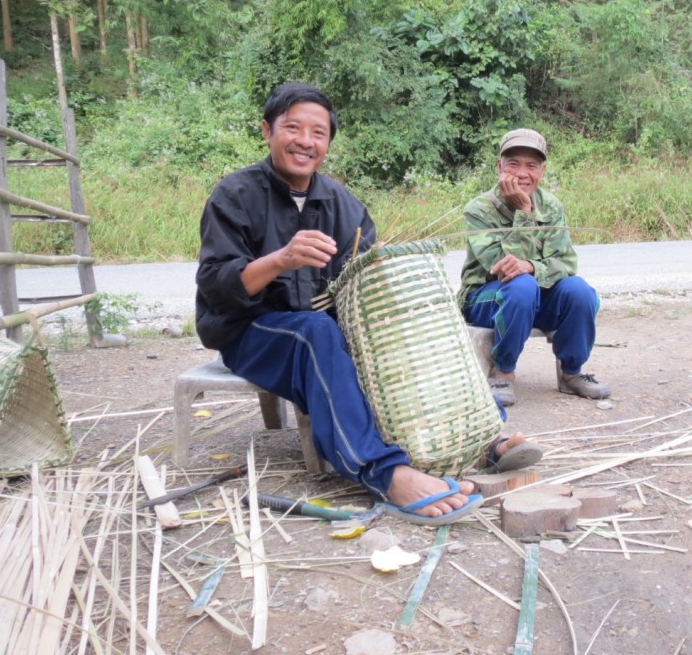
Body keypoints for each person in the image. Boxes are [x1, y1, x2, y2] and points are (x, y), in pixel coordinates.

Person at [195, 82, 537, 525]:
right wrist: (281, 259)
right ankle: (383, 469)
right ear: (267, 131)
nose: (305, 141)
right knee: (316, 332)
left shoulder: (342, 204)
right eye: (292, 128)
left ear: (328, 143)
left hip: (326, 332)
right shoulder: (236, 195)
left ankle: (476, 438)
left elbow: (365, 286)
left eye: (318, 133)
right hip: (250, 331)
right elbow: (215, 285)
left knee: (409, 326)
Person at [458, 128, 611, 407]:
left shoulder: (552, 207)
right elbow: (502, 270)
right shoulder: (479, 209)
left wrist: (531, 265)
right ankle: (503, 373)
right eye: (513, 163)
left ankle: (571, 374)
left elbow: (565, 262)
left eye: (531, 165)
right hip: (486, 300)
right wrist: (524, 213)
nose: (522, 173)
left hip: (533, 297)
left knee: (579, 291)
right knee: (521, 285)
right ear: (499, 166)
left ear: (542, 170)